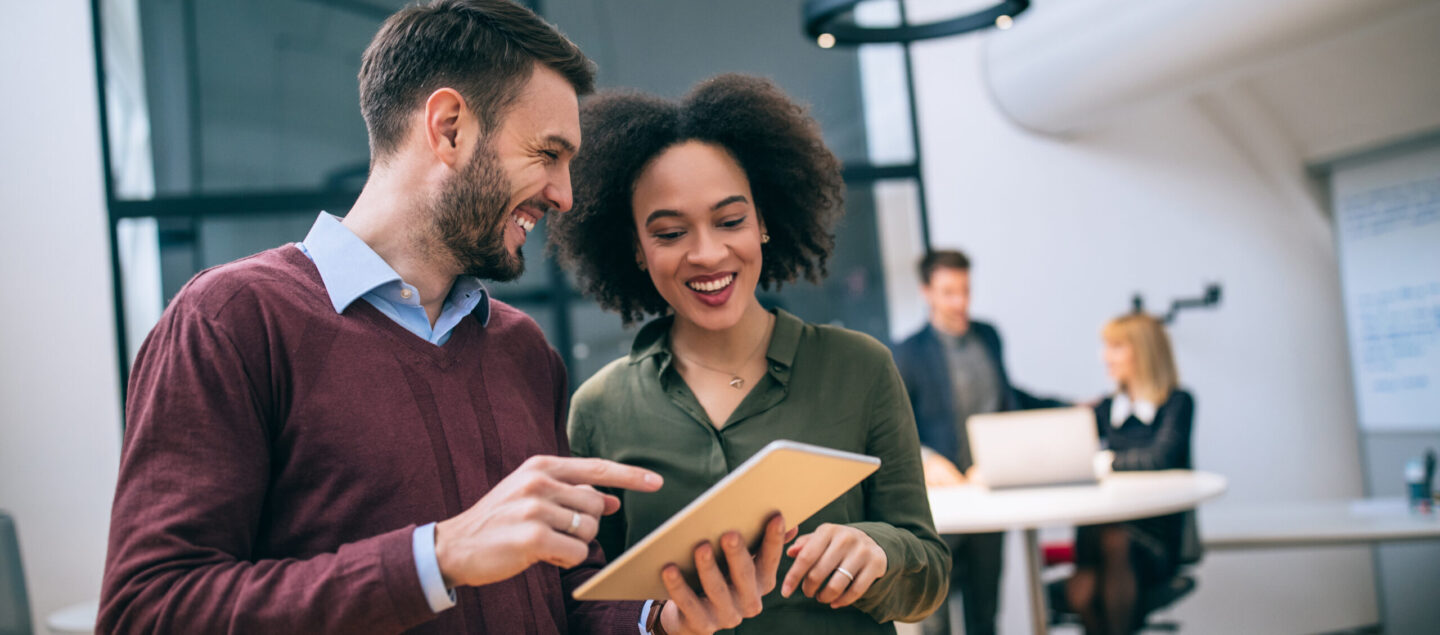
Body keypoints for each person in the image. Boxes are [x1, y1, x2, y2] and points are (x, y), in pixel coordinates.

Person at [98, 2, 784, 634]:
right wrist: (438, 555)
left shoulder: (521, 348)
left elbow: (568, 591)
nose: (565, 195)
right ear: (449, 127)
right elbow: (148, 608)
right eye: (548, 153)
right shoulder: (232, 320)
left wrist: (659, 618)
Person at [547, 74, 951, 633]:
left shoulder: (859, 368)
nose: (708, 253)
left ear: (764, 223)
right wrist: (660, 620)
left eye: (730, 221)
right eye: (669, 233)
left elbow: (928, 575)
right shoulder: (600, 407)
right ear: (636, 250)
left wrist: (878, 552)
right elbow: (584, 606)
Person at [891, 249, 1065, 635]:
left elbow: (1009, 397)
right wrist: (926, 458)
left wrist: (1068, 408)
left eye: (966, 290)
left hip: (989, 493)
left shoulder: (988, 336)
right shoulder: (909, 352)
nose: (960, 302)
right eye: (949, 292)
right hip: (942, 505)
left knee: (985, 611)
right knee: (934, 613)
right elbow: (895, 422)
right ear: (927, 292)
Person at [1066, 313, 1194, 635]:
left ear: (1144, 351)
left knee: (1107, 553)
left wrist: (1103, 463)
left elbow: (1159, 457)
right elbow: (1071, 454)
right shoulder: (1106, 409)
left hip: (1152, 541)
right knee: (1084, 588)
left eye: (1115, 347)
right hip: (1099, 543)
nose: (1104, 357)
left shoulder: (1176, 404)